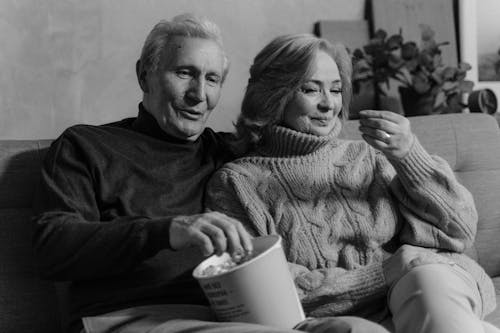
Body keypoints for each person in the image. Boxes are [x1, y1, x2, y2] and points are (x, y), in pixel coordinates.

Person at [32, 14, 387, 333]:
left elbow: (303, 143)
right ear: (144, 74)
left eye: (212, 79)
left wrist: (402, 155)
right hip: (129, 316)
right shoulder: (87, 145)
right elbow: (53, 245)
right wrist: (167, 230)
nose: (198, 94)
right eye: (184, 73)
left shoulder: (232, 154)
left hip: (241, 316)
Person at [205, 33, 499, 333]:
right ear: (273, 95)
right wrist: (379, 274)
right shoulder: (236, 185)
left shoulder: (366, 155)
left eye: (335, 90)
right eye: (310, 89)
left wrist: (410, 156)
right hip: (343, 315)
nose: (328, 104)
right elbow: (267, 293)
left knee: (425, 281)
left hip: (422, 286)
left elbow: (459, 232)